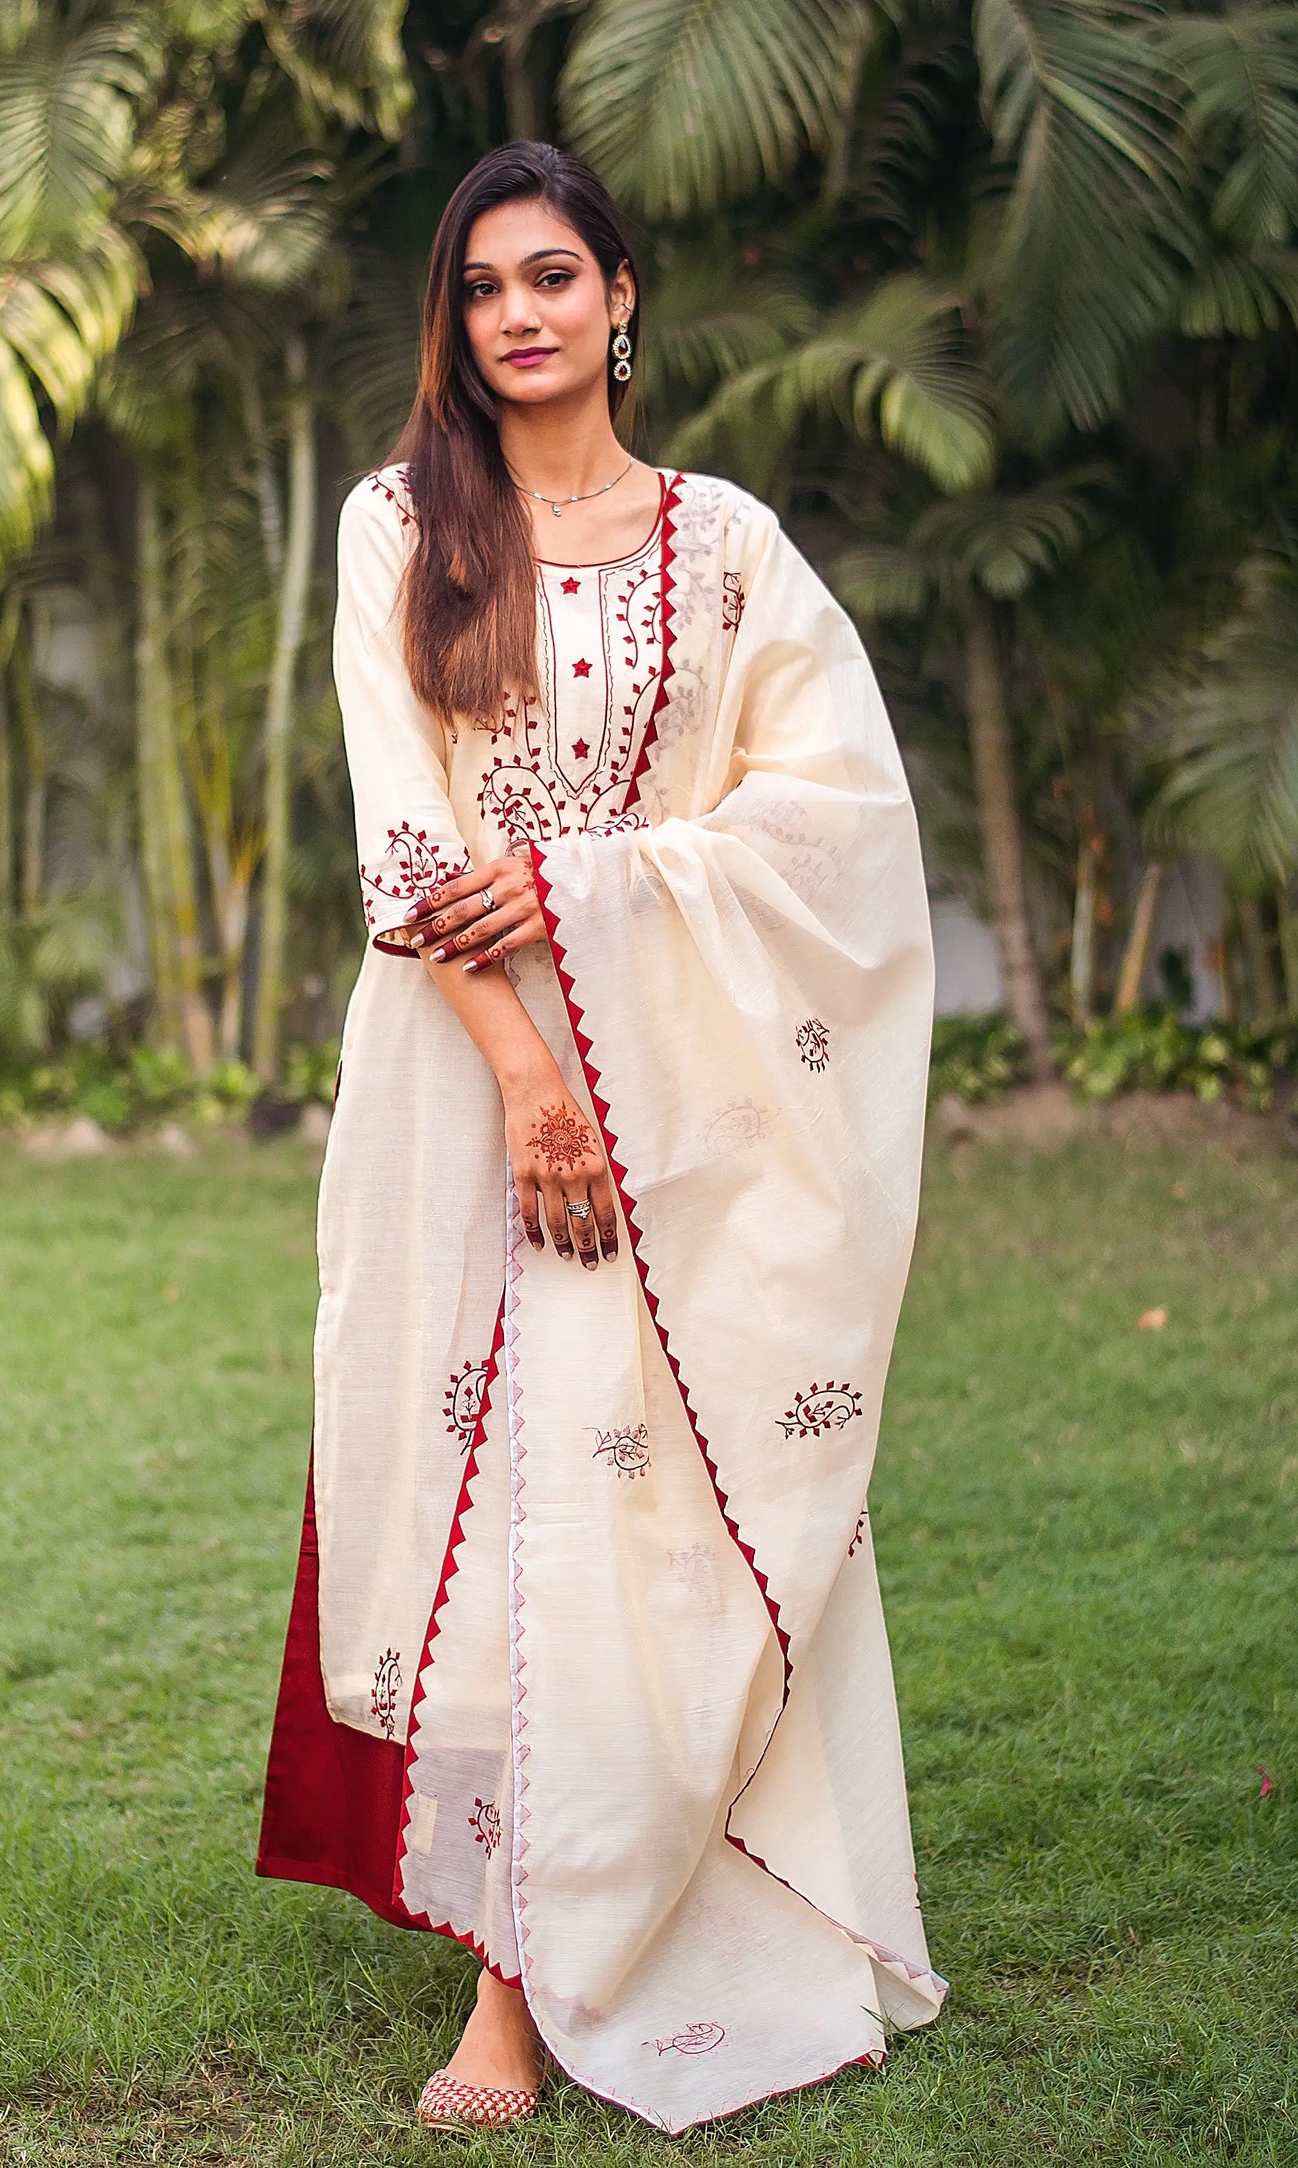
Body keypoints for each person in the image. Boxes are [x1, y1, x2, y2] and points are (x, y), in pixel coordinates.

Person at [257, 139, 946, 2136]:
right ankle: (514, 1971)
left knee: (647, 1494)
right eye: (483, 288)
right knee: (513, 1502)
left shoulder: (723, 545)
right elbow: (406, 834)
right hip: (465, 1080)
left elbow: (835, 816)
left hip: (684, 1067)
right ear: (456, 324)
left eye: (552, 275)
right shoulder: (405, 524)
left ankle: (627, 1908)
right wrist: (527, 1069)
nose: (519, 314)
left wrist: (596, 890)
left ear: (622, 294)